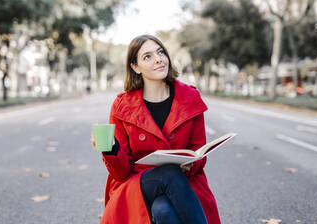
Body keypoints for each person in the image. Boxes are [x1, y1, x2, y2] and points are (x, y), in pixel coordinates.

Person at [91, 34, 221, 224]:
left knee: (163, 210)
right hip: (139, 182)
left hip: (184, 181)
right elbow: (121, 173)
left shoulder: (190, 97)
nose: (158, 59)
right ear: (135, 67)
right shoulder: (122, 105)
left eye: (160, 52)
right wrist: (110, 147)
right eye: (147, 56)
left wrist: (191, 164)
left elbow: (198, 149)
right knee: (168, 173)